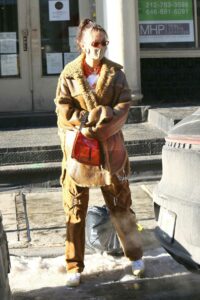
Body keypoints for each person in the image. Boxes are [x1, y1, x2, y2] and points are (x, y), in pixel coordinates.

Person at [54, 19, 144, 287]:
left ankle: (136, 257)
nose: (100, 48)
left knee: (121, 205)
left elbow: (125, 105)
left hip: (110, 150)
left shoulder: (116, 74)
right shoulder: (69, 75)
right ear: (81, 44)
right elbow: (63, 110)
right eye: (95, 43)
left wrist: (105, 119)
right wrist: (85, 120)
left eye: (104, 43)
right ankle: (74, 265)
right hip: (79, 151)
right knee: (75, 208)